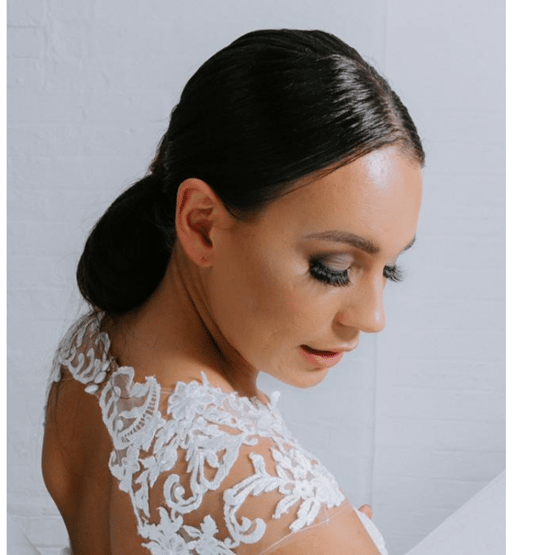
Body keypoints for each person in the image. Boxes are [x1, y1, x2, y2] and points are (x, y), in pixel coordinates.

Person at [42, 28, 424, 555]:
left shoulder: (94, 352)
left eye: (389, 271)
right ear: (202, 223)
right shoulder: (268, 501)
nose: (372, 317)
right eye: (333, 267)